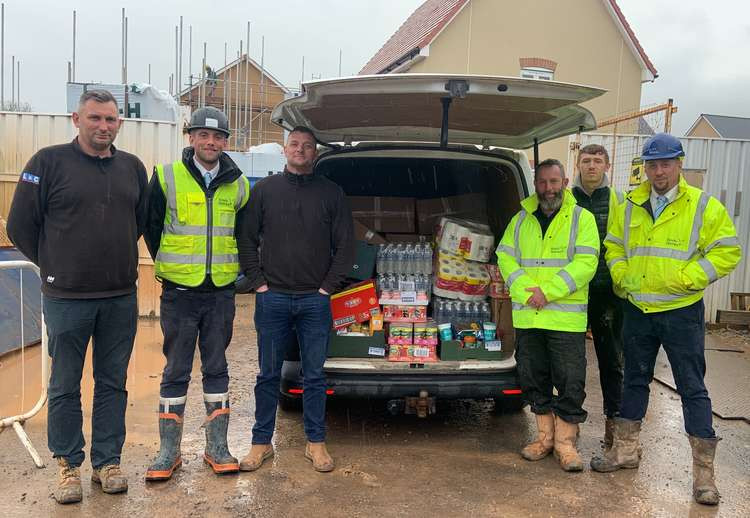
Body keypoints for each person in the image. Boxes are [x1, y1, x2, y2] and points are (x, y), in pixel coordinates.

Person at [6, 90, 148, 504]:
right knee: (65, 383)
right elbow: (20, 227)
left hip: (120, 297)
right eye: (95, 118)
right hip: (66, 298)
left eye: (111, 119)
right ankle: (68, 464)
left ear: (119, 123)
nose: (103, 126)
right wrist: (55, 264)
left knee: (112, 382)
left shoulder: (132, 168)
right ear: (76, 119)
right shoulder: (47, 163)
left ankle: (108, 462)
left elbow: (139, 221)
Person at [592, 133, 741, 506]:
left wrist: (688, 278)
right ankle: (625, 452)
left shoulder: (703, 206)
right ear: (645, 168)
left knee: (692, 387)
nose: (659, 171)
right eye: (653, 165)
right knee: (634, 380)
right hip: (639, 310)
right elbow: (613, 245)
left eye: (666, 163)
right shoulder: (630, 205)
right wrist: (622, 276)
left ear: (679, 164)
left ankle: (704, 476)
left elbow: (727, 252)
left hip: (681, 312)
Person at [238, 126, 354, 473]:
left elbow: (346, 246)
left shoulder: (331, 194)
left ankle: (315, 443)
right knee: (267, 375)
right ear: (285, 150)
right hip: (272, 299)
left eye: (307, 146)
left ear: (314, 153)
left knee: (315, 376)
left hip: (314, 302)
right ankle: (261, 443)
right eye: (294, 144)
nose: (300, 150)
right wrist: (258, 284)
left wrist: (326, 289)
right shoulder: (265, 191)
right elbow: (245, 238)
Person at [143, 106, 250, 480]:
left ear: (225, 142)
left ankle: (217, 447)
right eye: (203, 135)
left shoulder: (238, 184)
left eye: (218, 136)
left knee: (217, 367)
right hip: (179, 294)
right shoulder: (166, 176)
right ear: (190, 138)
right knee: (175, 370)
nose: (211, 142)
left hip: (220, 293)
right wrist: (174, 268)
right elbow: (151, 226)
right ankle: (168, 452)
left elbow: (243, 234)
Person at [497, 158, 599, 472]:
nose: (548, 189)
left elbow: (586, 264)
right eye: (542, 182)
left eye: (554, 182)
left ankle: (566, 444)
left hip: (565, 319)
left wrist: (548, 292)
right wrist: (529, 290)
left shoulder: (582, 219)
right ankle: (544, 437)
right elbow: (505, 256)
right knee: (533, 377)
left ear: (565, 182)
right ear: (536, 184)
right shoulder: (521, 219)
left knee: (570, 381)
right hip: (529, 317)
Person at [571, 144, 625, 449]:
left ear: (607, 165)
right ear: (578, 165)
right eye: (586, 161)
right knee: (571, 361)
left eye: (597, 161)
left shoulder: (619, 200)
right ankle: (570, 423)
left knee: (612, 360)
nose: (592, 166)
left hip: (608, 292)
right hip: (573, 292)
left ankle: (613, 424)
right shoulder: (567, 199)